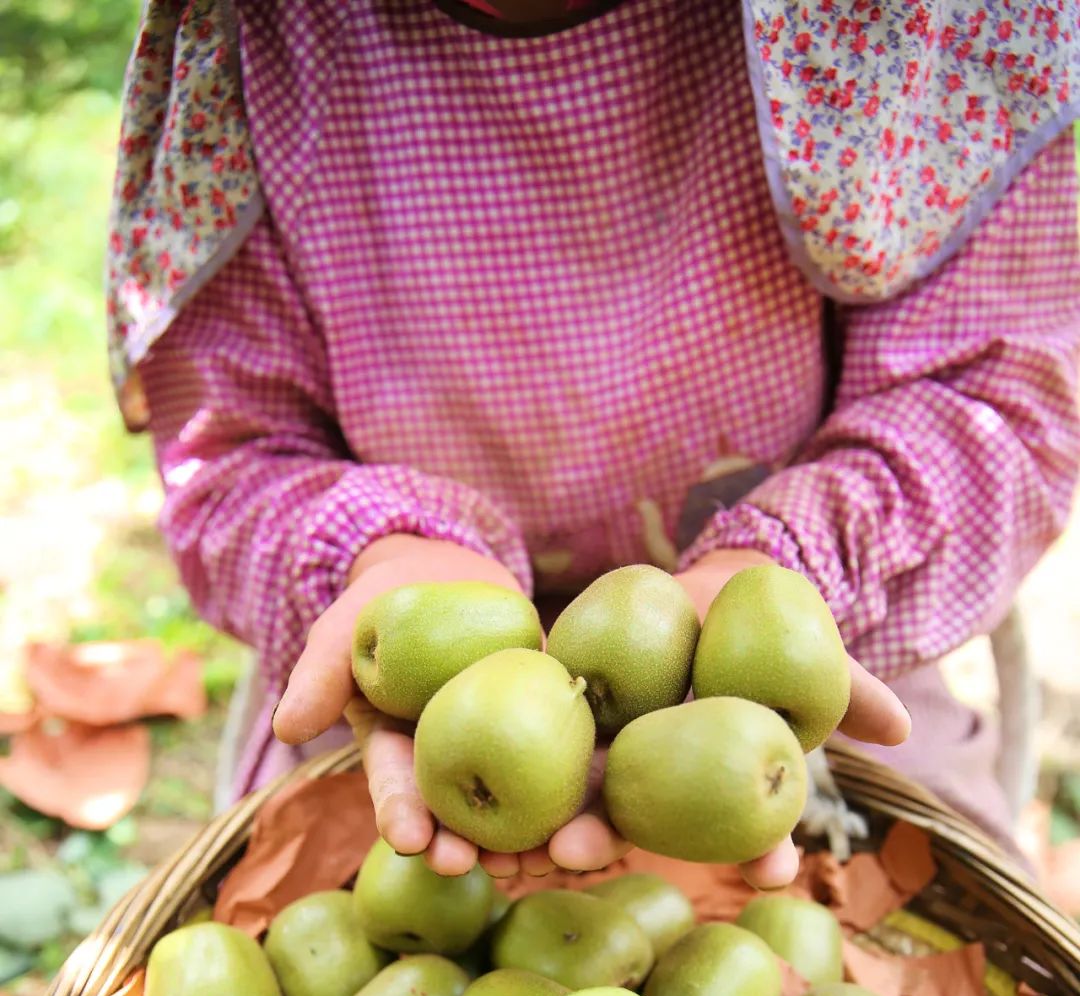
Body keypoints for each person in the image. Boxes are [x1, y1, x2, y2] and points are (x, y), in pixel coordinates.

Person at [106, 0, 1080, 880]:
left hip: (814, 648)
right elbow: (232, 452)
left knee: (933, 897)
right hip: (410, 704)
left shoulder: (906, 32)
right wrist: (377, 549)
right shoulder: (255, 48)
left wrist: (786, 564)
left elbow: (990, 397)